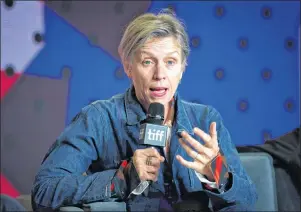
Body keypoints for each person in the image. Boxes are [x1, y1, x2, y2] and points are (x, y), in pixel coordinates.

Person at [31, 9, 257, 211]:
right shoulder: (98, 118)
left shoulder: (206, 119)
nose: (160, 74)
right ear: (129, 67)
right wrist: (122, 177)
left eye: (170, 62)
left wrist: (216, 171)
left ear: (182, 68)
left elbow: (247, 201)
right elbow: (44, 191)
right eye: (148, 62)